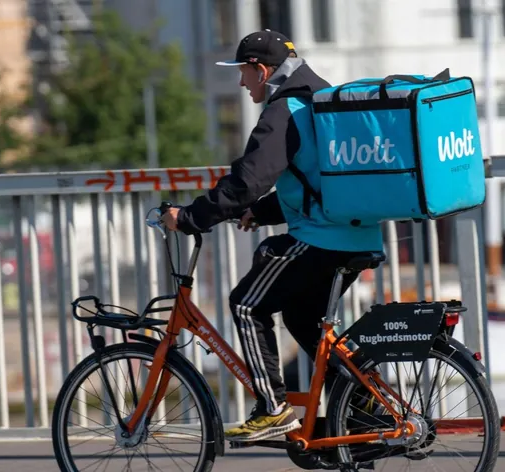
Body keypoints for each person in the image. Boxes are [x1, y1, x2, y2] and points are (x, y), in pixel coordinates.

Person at [160, 29, 384, 442]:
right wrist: (260, 212)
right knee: (302, 316)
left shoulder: (285, 111)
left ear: (261, 71)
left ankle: (273, 408)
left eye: (243, 73)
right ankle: (363, 396)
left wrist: (190, 217)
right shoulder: (322, 98)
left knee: (246, 304)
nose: (242, 83)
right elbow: (318, 182)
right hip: (359, 237)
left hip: (323, 240)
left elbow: (247, 181)